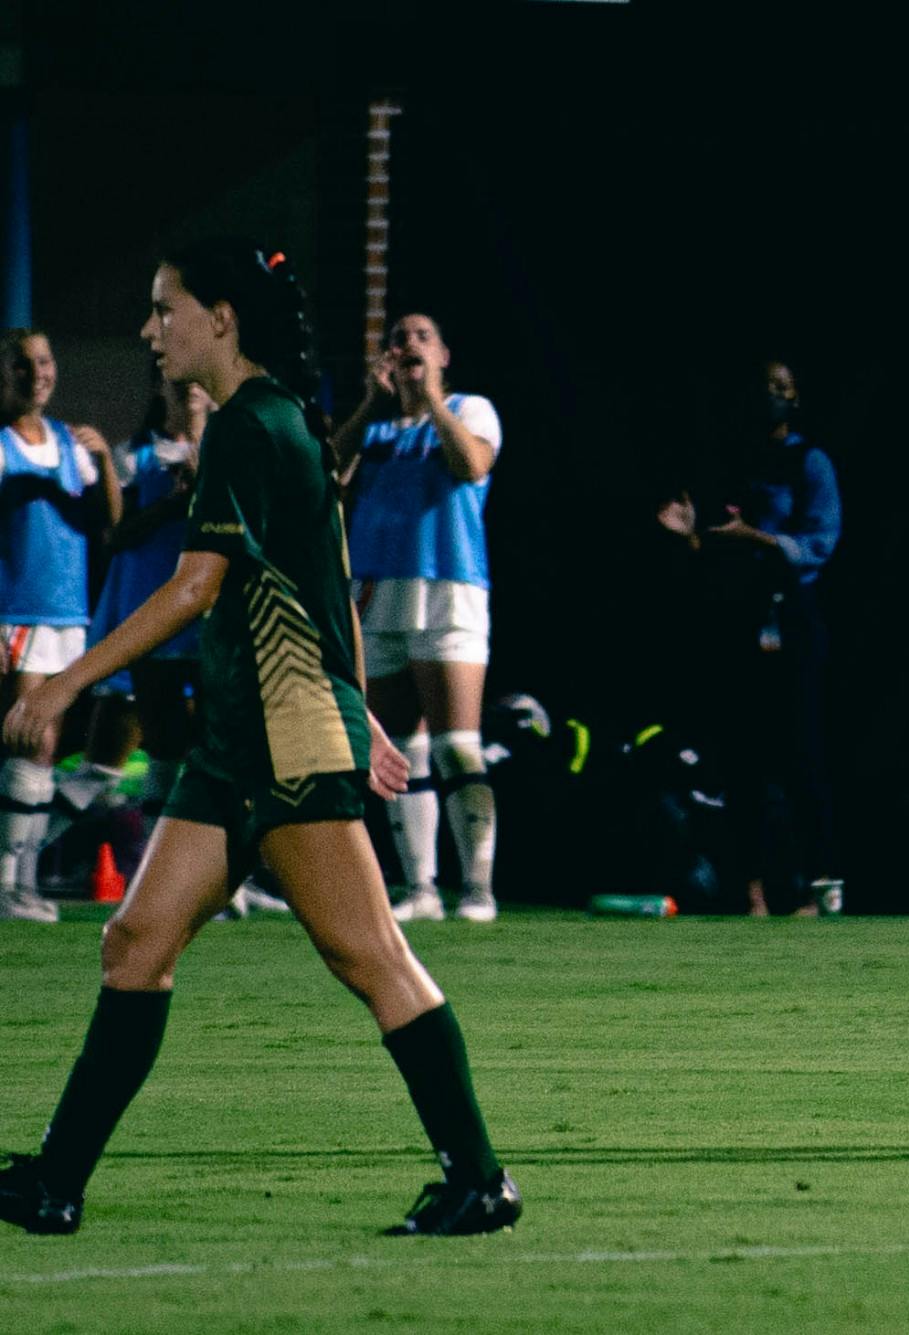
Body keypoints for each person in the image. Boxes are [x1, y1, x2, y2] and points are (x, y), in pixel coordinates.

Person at [0, 239, 520, 1236]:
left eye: (165, 309)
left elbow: (197, 587)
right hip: (245, 738)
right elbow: (331, 592)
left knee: (371, 956)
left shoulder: (248, 426)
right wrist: (360, 707)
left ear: (221, 316)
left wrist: (68, 679)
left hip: (281, 741)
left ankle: (479, 1178)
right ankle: (56, 1183)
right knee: (135, 943)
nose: (152, 330)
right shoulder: (279, 418)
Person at [332, 313, 502, 923]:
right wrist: (367, 406)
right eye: (399, 337)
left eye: (422, 336)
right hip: (378, 591)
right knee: (403, 748)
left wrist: (429, 397)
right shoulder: (374, 431)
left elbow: (472, 466)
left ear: (445, 354)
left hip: (449, 588)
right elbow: (325, 477)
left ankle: (477, 886)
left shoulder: (470, 409)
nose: (408, 345)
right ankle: (420, 888)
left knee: (458, 744)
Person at [39, 377, 211, 876]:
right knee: (111, 762)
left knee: (203, 755)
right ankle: (19, 863)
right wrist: (171, 505)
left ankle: (219, 882)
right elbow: (118, 534)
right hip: (147, 618)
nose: (190, 390)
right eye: (179, 383)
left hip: (204, 619)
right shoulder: (136, 454)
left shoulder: (228, 447)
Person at [702, 360, 841, 917]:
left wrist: (754, 539)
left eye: (781, 390)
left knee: (802, 757)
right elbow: (717, 540)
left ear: (797, 399)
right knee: (743, 763)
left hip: (794, 622)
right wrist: (695, 536)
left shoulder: (810, 463)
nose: (771, 399)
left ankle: (822, 885)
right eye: (763, 390)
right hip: (740, 620)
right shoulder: (737, 461)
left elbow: (817, 545)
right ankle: (752, 891)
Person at [1, 328, 122, 921]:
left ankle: (23, 882)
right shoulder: (1, 444)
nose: (37, 374)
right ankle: (9, 885)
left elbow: (107, 524)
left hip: (69, 614)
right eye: (23, 365)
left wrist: (102, 459)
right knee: (32, 740)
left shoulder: (70, 442)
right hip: (17, 612)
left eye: (44, 362)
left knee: (45, 751)